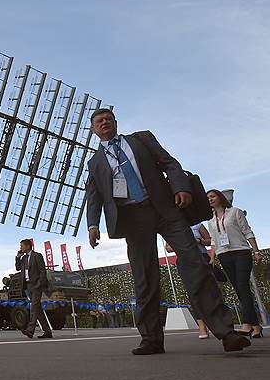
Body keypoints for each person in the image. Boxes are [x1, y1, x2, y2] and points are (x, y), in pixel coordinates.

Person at [84, 108, 249, 354]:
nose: (104, 122)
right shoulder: (95, 162)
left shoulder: (141, 139)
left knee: (195, 263)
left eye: (108, 118)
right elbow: (94, 194)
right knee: (144, 276)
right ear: (94, 130)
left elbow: (170, 163)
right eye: (99, 121)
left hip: (164, 208)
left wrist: (181, 187)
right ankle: (151, 339)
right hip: (132, 218)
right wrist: (93, 225)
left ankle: (226, 332)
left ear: (116, 123)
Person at [205, 189, 263, 338]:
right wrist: (213, 257)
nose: (210, 199)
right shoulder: (210, 220)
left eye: (213, 196)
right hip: (224, 255)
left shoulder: (235, 212)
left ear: (220, 197)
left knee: (243, 285)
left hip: (241, 252)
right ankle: (256, 326)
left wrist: (256, 251)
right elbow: (213, 241)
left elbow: (248, 231)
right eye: (208, 198)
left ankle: (247, 324)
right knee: (239, 289)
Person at [165, 223, 214, 339]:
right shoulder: (172, 226)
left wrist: (199, 241)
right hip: (184, 259)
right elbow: (168, 248)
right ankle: (202, 325)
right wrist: (181, 244)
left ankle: (216, 322)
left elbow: (210, 241)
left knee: (208, 290)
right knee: (193, 292)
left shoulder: (198, 225)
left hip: (201, 256)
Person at [15, 239, 52, 339]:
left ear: (27, 246)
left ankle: (30, 330)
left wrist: (39, 284)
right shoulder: (23, 258)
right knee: (37, 309)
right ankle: (47, 331)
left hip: (36, 285)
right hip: (27, 286)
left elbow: (42, 271)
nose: (20, 248)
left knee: (34, 307)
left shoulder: (37, 256)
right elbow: (18, 268)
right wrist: (17, 257)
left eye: (22, 246)